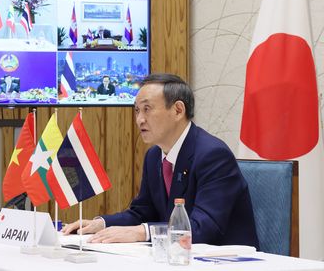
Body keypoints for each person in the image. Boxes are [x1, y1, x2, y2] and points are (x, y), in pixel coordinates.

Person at [62, 73, 259, 248]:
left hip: (225, 261)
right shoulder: (154, 156)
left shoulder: (213, 155)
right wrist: (101, 223)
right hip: (176, 258)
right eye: (137, 110)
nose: (140, 119)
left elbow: (204, 228)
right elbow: (142, 212)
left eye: (147, 109)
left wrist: (141, 232)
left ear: (178, 110)